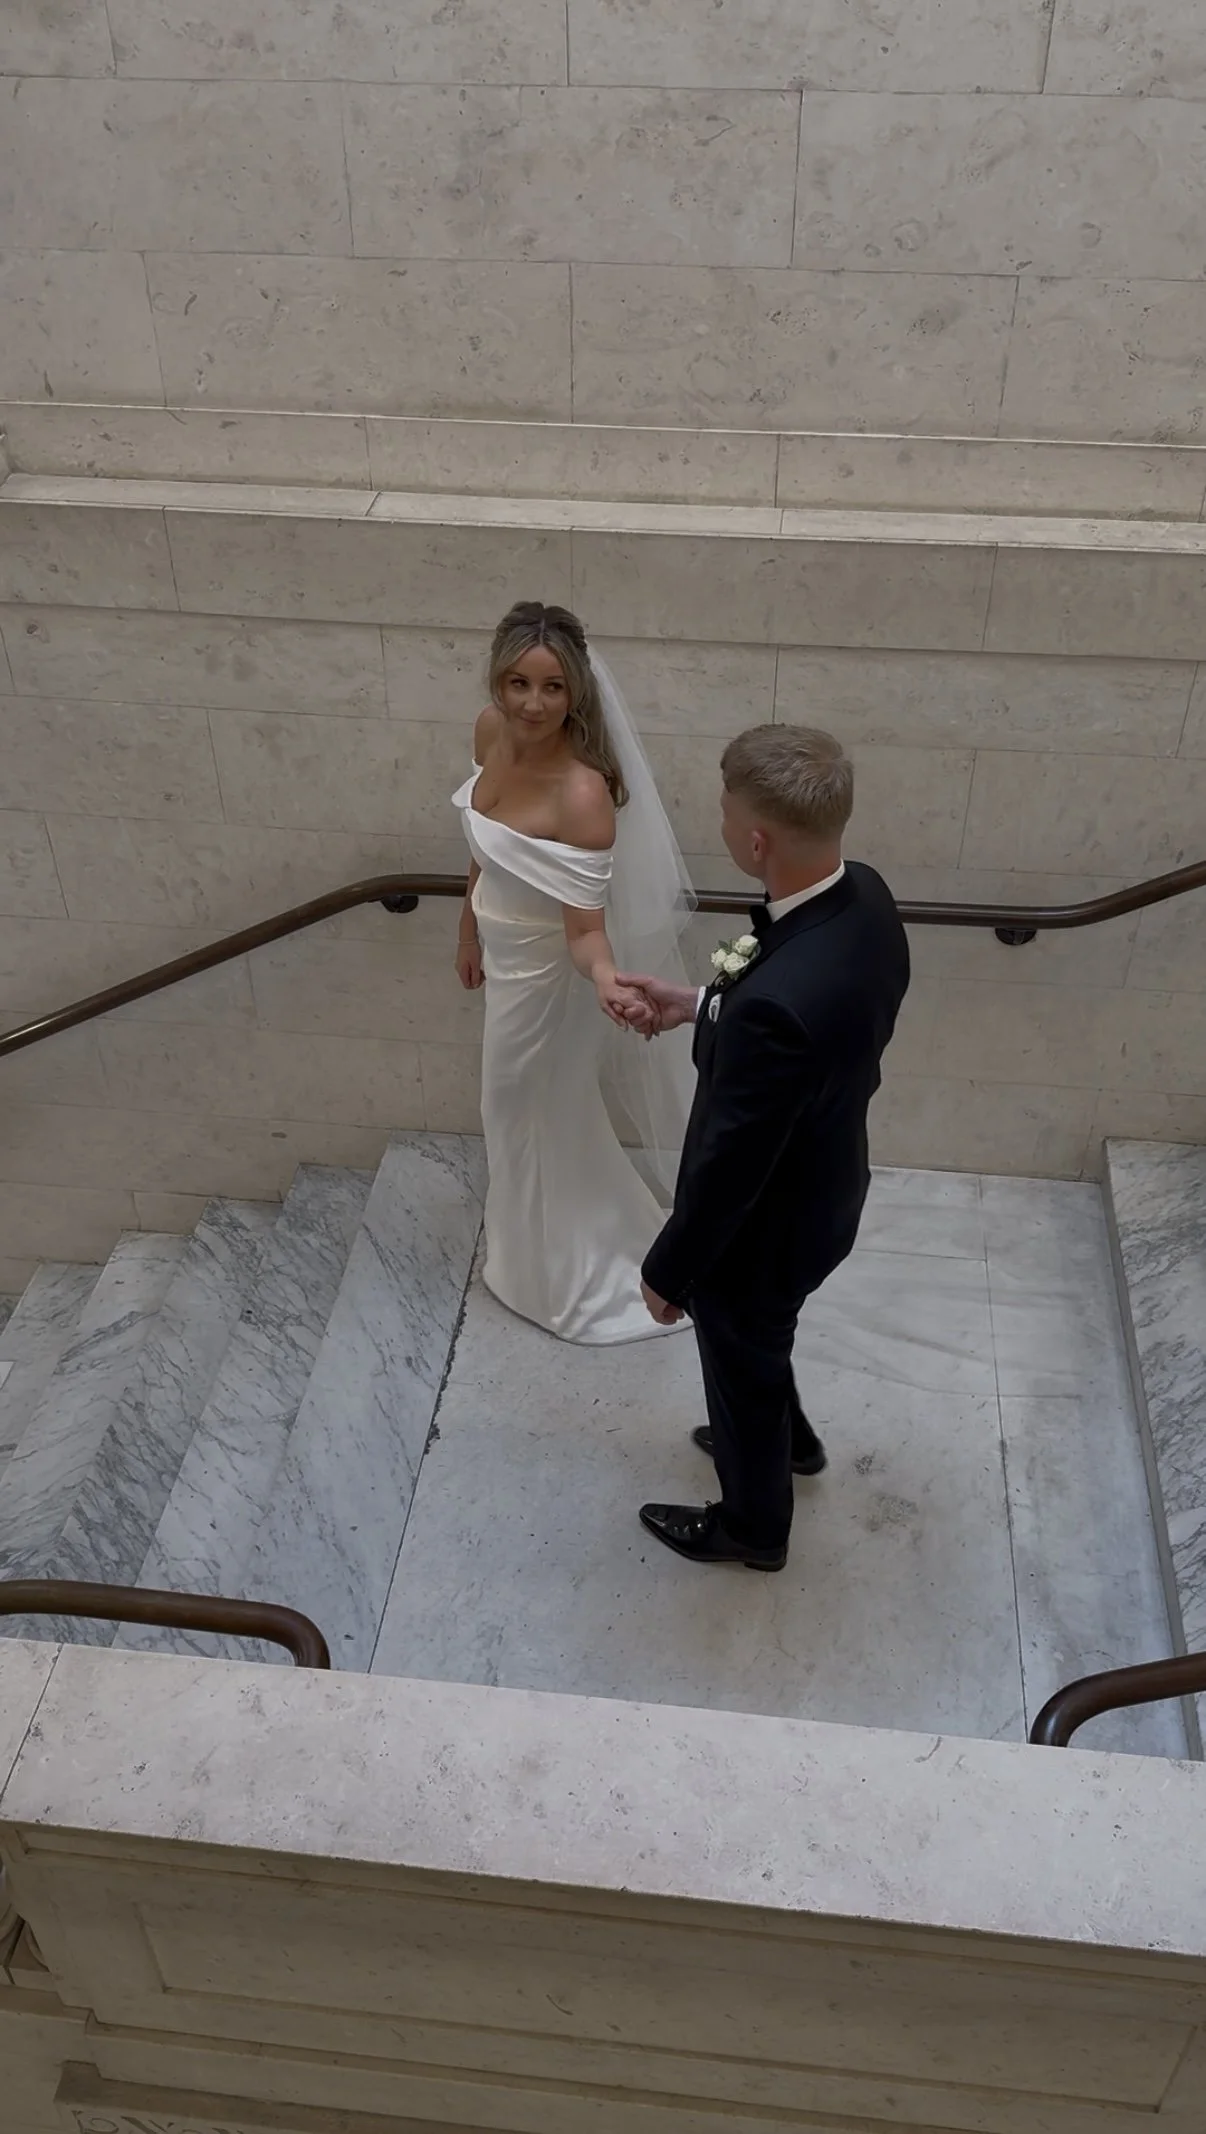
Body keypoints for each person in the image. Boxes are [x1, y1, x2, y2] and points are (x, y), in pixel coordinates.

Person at [618, 725, 911, 1570]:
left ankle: (753, 1527)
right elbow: (797, 1017)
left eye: (723, 810)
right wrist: (698, 1005)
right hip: (830, 1189)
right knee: (763, 1342)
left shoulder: (774, 1011)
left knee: (740, 1348)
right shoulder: (865, 899)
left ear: (755, 841)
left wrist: (668, 1269)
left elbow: (730, 1169)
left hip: (766, 1229)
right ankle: (797, 1445)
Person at [452, 601, 696, 1344]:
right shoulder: (489, 731)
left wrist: (603, 978)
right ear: (497, 679)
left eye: (552, 687)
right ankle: (536, 1256)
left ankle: (566, 1278)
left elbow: (586, 930)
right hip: (502, 955)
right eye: (518, 682)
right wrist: (467, 926)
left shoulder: (582, 793)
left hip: (550, 981)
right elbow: (483, 847)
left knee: (522, 1107)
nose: (532, 704)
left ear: (576, 691)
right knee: (529, 1115)